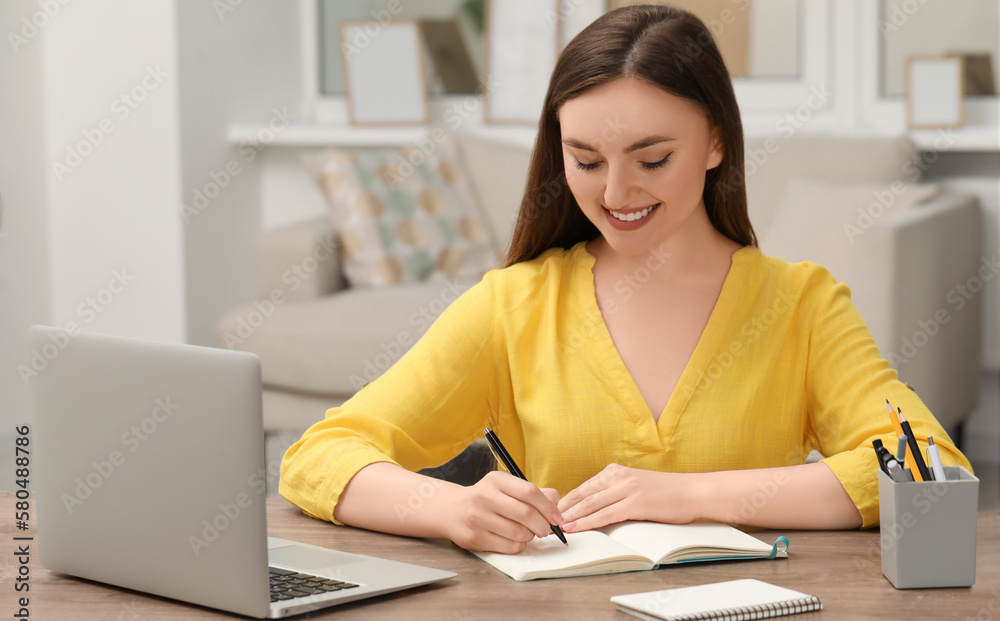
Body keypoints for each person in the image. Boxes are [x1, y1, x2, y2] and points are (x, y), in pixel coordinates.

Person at [279, 4, 972, 554]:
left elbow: (927, 468)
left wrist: (682, 494)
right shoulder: (515, 304)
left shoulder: (800, 305)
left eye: (652, 157)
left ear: (715, 142)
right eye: (584, 159)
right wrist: (451, 507)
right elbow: (320, 455)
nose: (616, 192)